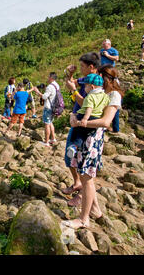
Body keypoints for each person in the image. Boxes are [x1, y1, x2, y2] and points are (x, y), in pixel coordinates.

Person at [63, 64, 124, 229]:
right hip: (87, 135)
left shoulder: (114, 95)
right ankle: (95, 210)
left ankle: (83, 219)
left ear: (105, 78)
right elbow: (87, 104)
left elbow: (105, 121)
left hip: (92, 138)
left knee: (87, 178)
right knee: (85, 175)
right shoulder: (102, 93)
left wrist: (80, 123)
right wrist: (74, 93)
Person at [63, 52, 100, 204]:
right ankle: (77, 183)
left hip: (86, 126)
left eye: (82, 66)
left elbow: (88, 103)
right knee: (70, 156)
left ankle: (83, 196)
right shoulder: (85, 79)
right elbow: (70, 83)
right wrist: (70, 75)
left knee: (84, 163)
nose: (81, 68)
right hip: (77, 121)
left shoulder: (97, 82)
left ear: (91, 67)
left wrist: (73, 91)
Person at [66, 74, 110, 160]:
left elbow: (89, 108)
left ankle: (74, 146)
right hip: (96, 118)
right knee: (85, 134)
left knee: (76, 131)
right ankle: (78, 147)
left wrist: (85, 119)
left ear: (92, 87)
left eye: (85, 86)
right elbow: (105, 106)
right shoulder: (105, 96)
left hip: (85, 116)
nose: (84, 88)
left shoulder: (90, 97)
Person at [32, 72, 59, 147]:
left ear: (51, 78)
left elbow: (44, 97)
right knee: (50, 122)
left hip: (48, 107)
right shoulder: (56, 85)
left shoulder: (50, 86)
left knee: (47, 124)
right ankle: (53, 139)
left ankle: (46, 142)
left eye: (48, 77)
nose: (47, 78)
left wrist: (37, 91)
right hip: (54, 107)